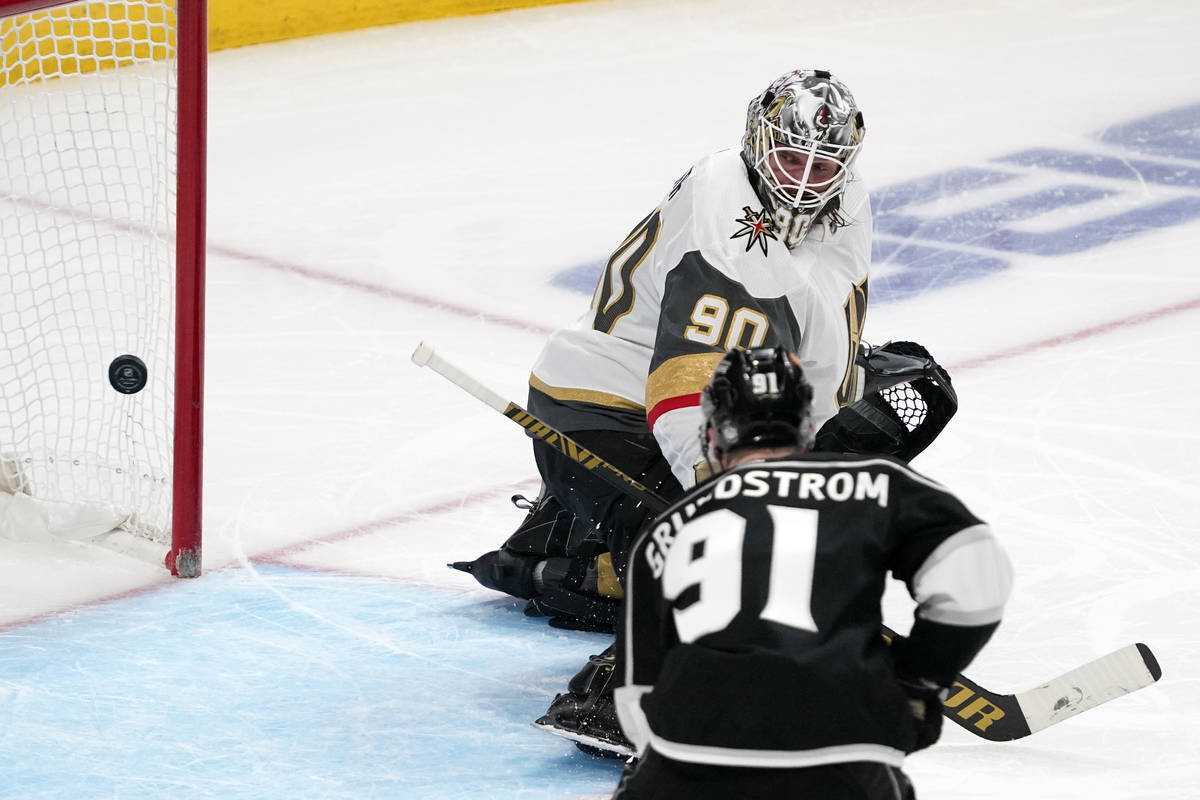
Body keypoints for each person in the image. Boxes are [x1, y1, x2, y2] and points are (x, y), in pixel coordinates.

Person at [452, 68, 954, 751]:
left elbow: (821, 338)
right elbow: (685, 388)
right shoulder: (726, 214)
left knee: (913, 392)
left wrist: (811, 478)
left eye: (824, 165)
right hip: (607, 410)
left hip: (717, 396)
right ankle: (618, 698)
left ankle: (572, 548)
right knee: (720, 537)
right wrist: (740, 508)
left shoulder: (846, 198)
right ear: (758, 142)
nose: (807, 182)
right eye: (792, 159)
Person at [605, 346, 1012, 799]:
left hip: (690, 760)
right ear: (806, 425)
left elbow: (635, 696)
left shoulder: (667, 529)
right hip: (844, 755)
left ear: (714, 435)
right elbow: (974, 581)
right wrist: (917, 680)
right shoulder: (874, 481)